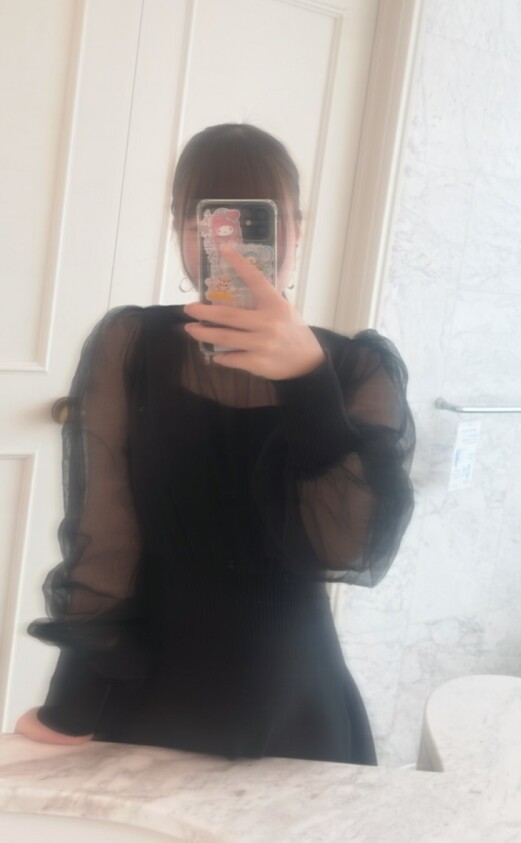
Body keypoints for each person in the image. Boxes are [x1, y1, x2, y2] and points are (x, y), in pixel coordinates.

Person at [15, 123, 415, 765]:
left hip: (296, 702)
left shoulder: (356, 368)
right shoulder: (130, 345)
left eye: (258, 221)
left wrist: (309, 385)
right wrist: (73, 706)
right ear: (181, 228)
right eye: (206, 222)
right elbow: (106, 546)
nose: (230, 247)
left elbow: (349, 547)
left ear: (297, 227)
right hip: (152, 692)